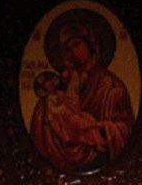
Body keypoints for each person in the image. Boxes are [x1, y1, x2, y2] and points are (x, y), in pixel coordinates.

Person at [30, 17, 135, 171]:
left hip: (98, 159)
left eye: (76, 44)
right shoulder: (57, 88)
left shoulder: (112, 89)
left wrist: (99, 128)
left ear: (91, 45)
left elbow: (125, 132)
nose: (71, 52)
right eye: (66, 49)